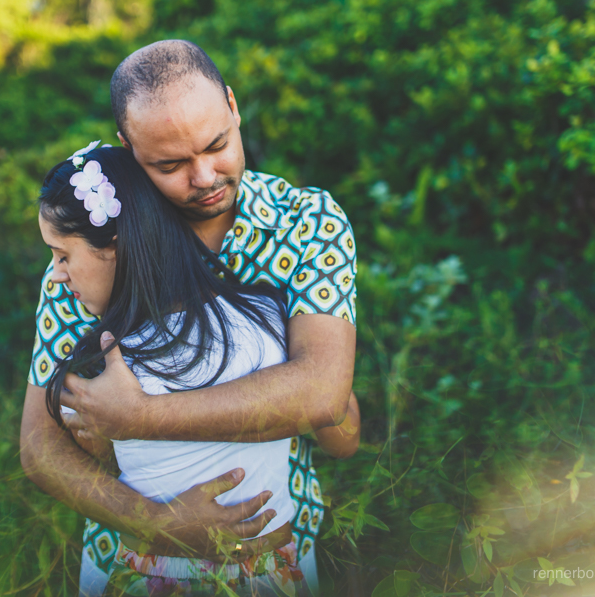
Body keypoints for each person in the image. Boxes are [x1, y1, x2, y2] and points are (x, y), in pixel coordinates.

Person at [20, 40, 360, 596]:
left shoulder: (306, 223)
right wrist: (157, 527)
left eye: (217, 145)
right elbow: (39, 444)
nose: (204, 177)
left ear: (232, 105)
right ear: (130, 151)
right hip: (126, 560)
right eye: (170, 164)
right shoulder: (90, 260)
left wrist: (140, 418)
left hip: (276, 547)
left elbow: (322, 395)